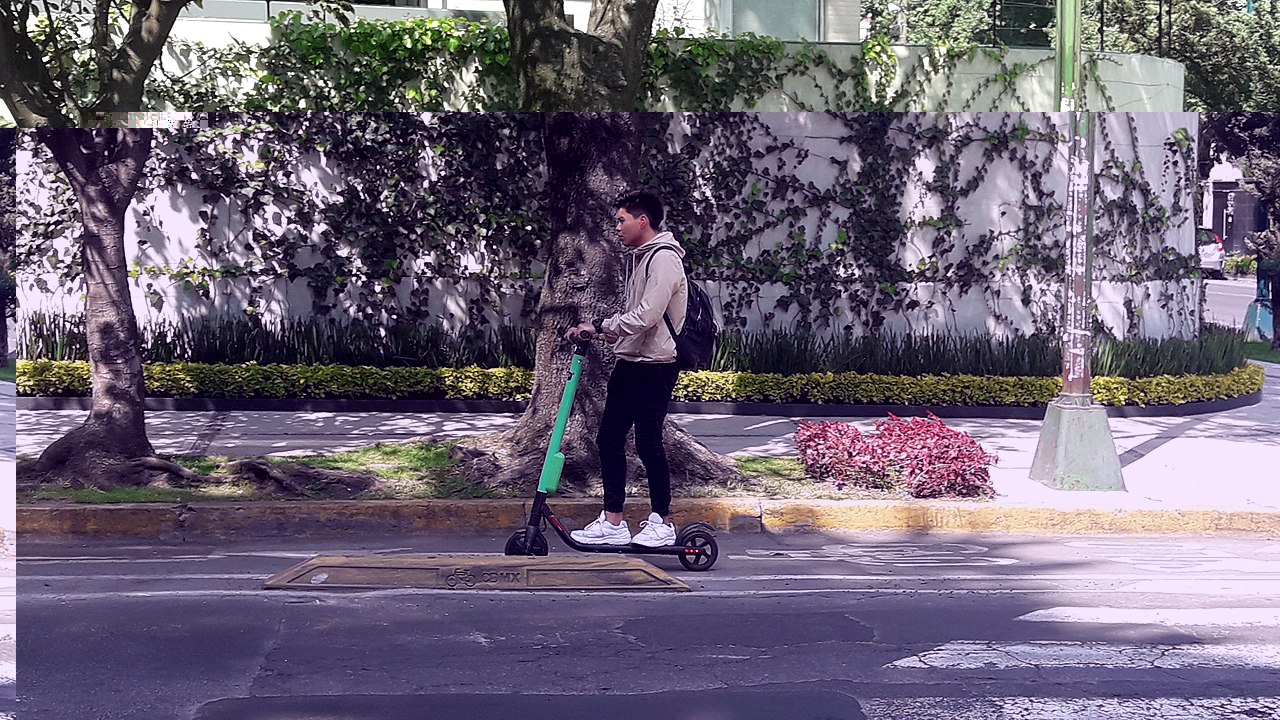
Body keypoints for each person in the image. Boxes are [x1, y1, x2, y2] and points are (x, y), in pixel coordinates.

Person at [564, 191, 688, 547]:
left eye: (621, 220)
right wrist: (602, 331)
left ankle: (663, 523)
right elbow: (637, 317)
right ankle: (614, 520)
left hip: (656, 365)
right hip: (631, 361)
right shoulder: (640, 259)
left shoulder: (664, 259)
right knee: (608, 439)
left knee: (649, 443)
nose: (616, 227)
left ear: (642, 221)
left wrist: (600, 325)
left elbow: (648, 316)